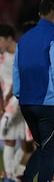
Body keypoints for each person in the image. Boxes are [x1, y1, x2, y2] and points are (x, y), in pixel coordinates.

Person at [13, 0, 54, 182]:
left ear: (40, 14)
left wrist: (19, 94)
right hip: (47, 104)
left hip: (26, 102)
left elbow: (17, 69)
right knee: (49, 151)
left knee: (41, 147)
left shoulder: (23, 39)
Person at [0, 23, 28, 182]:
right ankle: (11, 175)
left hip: (25, 101)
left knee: (28, 143)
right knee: (9, 138)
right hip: (10, 104)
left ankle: (14, 174)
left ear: (8, 39)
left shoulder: (22, 53)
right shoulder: (2, 58)